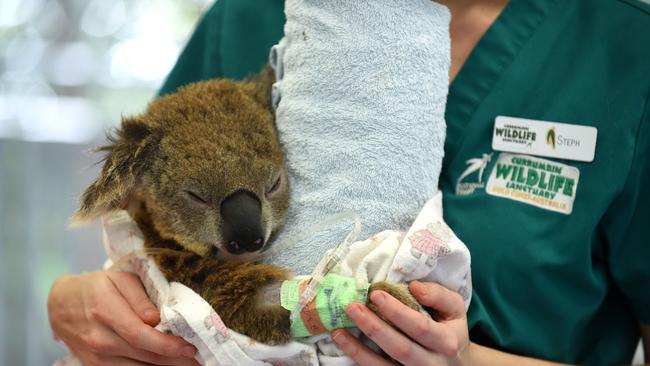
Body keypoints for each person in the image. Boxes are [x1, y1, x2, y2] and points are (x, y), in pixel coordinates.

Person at [48, 0, 650, 364]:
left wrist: (466, 361)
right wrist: (78, 304)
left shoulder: (623, 54)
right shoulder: (250, 16)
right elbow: (144, 230)